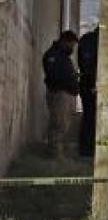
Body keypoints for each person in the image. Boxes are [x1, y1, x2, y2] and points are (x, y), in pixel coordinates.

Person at [42, 30, 79, 158]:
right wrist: (70, 80)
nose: (72, 48)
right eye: (71, 45)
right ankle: (54, 155)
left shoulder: (62, 56)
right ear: (64, 42)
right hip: (59, 94)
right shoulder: (53, 55)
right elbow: (55, 76)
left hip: (65, 94)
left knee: (62, 125)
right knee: (58, 125)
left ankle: (57, 153)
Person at [77, 27, 98, 157]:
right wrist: (92, 83)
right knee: (90, 117)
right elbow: (87, 64)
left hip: (89, 83)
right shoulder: (91, 40)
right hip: (90, 84)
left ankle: (88, 149)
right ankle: (87, 150)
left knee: (90, 117)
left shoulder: (87, 39)